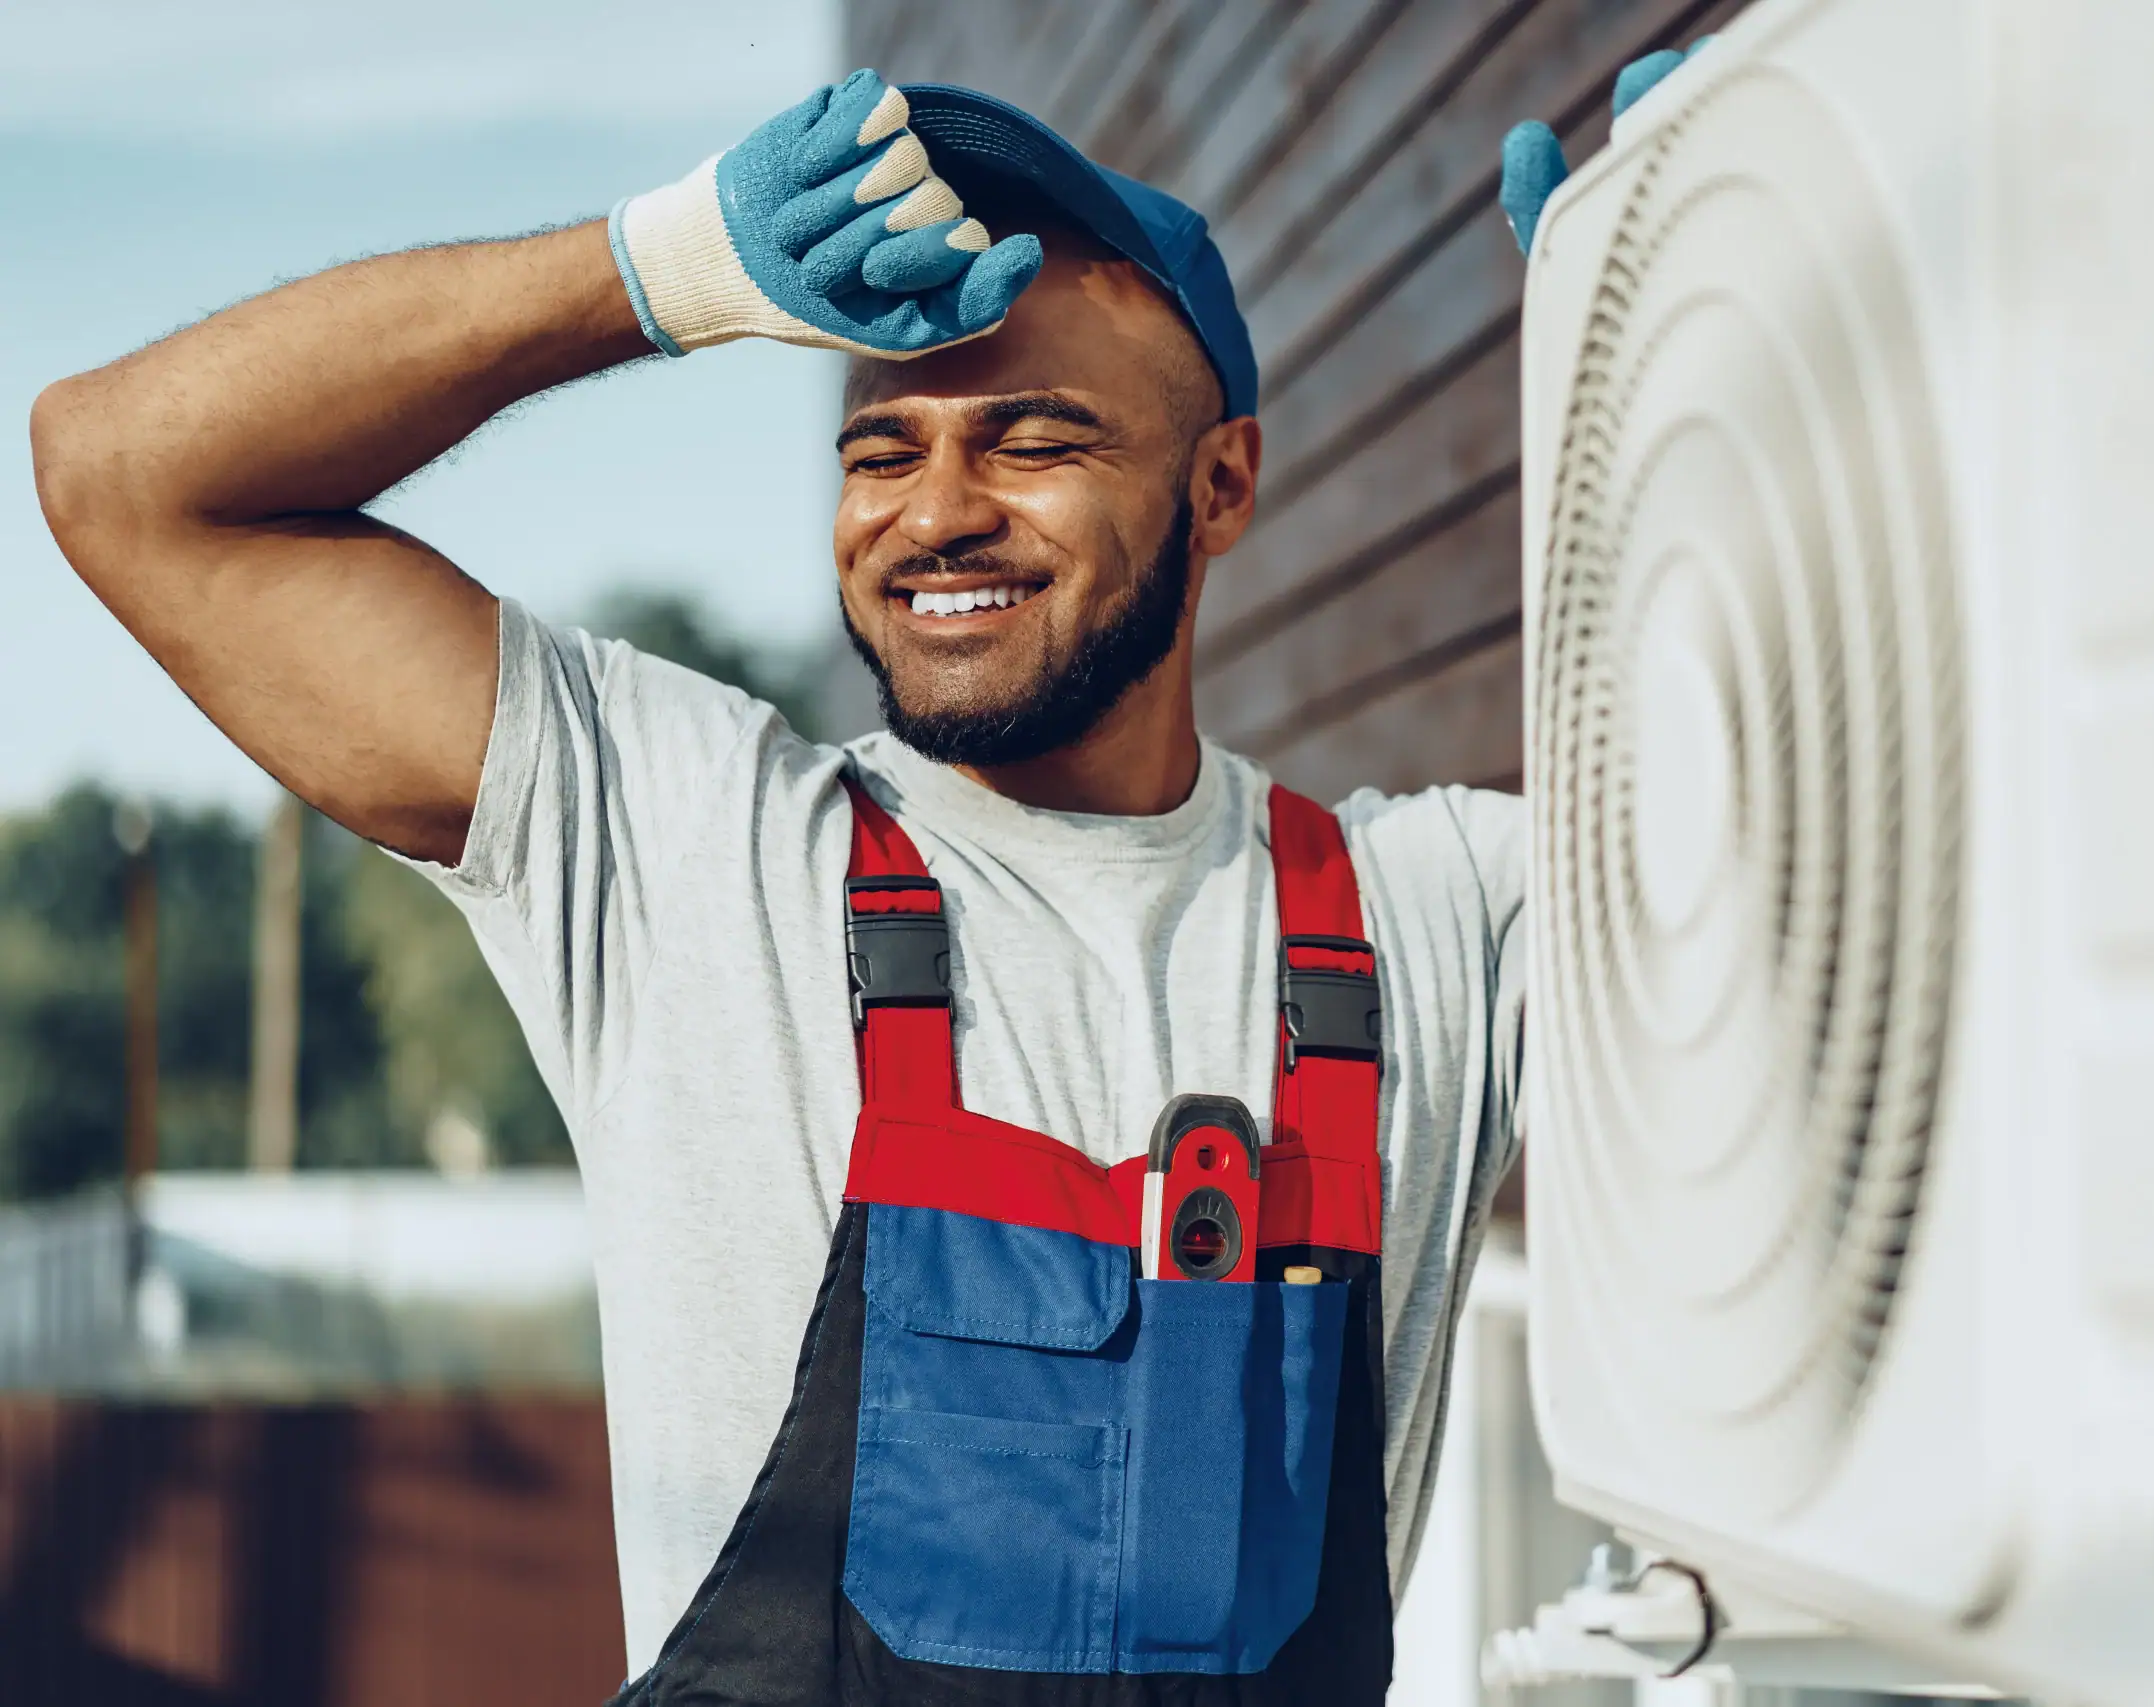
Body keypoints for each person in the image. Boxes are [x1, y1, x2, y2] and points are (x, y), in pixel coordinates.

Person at [31, 71, 1526, 1704]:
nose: (938, 514)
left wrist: (1701, 368)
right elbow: (120, 473)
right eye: (880, 451)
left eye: (1034, 440)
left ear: (1221, 485)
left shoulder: (1429, 913)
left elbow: (1817, 843)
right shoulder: (694, 850)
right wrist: (653, 275)